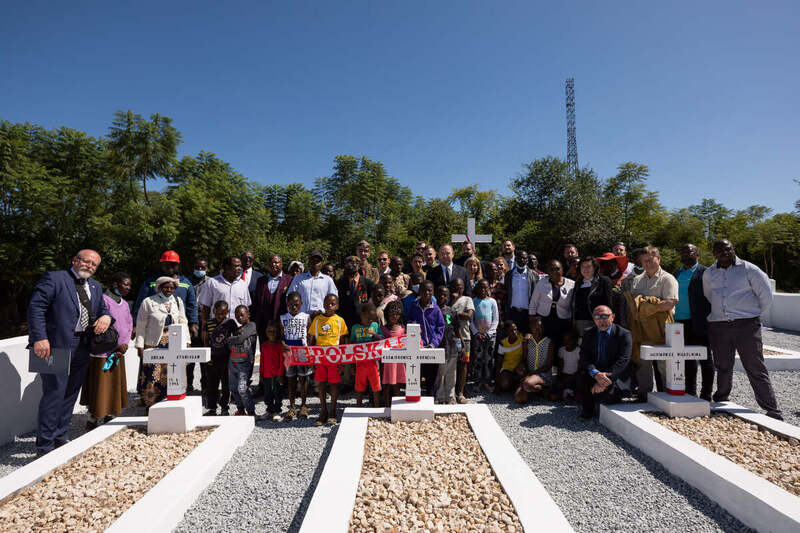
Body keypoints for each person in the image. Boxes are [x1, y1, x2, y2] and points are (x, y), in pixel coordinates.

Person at [28, 250, 112, 455]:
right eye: (87, 262)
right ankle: (44, 446)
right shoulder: (55, 278)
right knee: (54, 394)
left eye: (94, 264)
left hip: (83, 346)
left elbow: (102, 309)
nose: (90, 266)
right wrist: (39, 338)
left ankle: (60, 437)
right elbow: (36, 307)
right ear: (75, 260)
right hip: (53, 345)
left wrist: (107, 317)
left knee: (70, 393)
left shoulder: (95, 286)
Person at [703, 239, 782, 420]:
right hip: (719, 325)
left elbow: (765, 296)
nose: (724, 252)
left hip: (746, 325)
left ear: (733, 249)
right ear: (714, 253)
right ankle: (721, 399)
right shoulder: (709, 273)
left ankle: (772, 409)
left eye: (727, 248)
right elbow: (709, 296)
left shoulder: (750, 269)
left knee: (755, 366)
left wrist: (749, 314)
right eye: (719, 250)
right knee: (722, 364)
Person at [81, 272, 133, 430]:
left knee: (113, 384)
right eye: (125, 284)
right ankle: (93, 415)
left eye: (129, 285)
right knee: (99, 384)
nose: (128, 287)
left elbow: (129, 324)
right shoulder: (103, 300)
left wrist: (124, 344)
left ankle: (110, 412)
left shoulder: (124, 304)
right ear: (115, 284)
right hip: (102, 351)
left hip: (118, 351)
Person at [628, 246, 678, 399]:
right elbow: (634, 305)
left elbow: (669, 303)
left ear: (659, 259)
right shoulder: (637, 280)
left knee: (664, 364)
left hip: (662, 328)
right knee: (642, 363)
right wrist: (655, 305)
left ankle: (668, 396)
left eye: (651, 260)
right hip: (641, 327)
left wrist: (645, 306)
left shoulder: (668, 279)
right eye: (644, 261)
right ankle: (644, 395)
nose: (648, 263)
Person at [135, 277, 187, 408]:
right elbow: (141, 325)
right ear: (159, 288)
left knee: (172, 372)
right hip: (154, 342)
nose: (169, 290)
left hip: (173, 343)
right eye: (166, 287)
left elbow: (183, 321)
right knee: (153, 374)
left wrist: (187, 341)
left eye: (172, 288)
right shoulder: (148, 302)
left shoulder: (177, 301)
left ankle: (169, 403)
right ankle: (151, 404)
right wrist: (140, 346)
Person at [577, 305, 633, 420]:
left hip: (614, 374)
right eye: (597, 317)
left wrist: (604, 380)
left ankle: (604, 395)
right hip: (596, 372)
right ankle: (588, 411)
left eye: (605, 316)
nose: (601, 320)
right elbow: (584, 356)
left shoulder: (623, 334)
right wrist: (596, 374)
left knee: (608, 397)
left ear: (612, 317)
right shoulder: (588, 333)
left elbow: (623, 360)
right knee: (582, 377)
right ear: (593, 319)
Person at [673, 244, 713, 401]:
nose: (685, 254)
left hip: (699, 322)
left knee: (705, 359)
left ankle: (706, 394)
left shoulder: (705, 272)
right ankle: (690, 392)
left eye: (689, 251)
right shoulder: (677, 273)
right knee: (688, 358)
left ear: (697, 254)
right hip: (679, 322)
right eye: (682, 251)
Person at [132, 250, 199, 339]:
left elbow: (191, 306)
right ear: (162, 265)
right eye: (166, 264)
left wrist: (193, 323)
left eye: (173, 264)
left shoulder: (186, 284)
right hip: (154, 327)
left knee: (176, 347)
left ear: (178, 265)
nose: (170, 267)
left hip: (177, 326)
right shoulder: (150, 282)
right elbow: (140, 304)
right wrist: (136, 324)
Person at [309, 294, 348, 425]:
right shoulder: (317, 320)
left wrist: (342, 362)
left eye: (333, 303)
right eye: (327, 303)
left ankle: (332, 411)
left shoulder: (340, 321)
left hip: (334, 359)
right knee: (321, 385)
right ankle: (323, 411)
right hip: (320, 359)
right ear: (323, 304)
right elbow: (311, 341)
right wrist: (312, 360)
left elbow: (342, 343)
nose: (330, 305)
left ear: (337, 306)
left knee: (334, 385)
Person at [407, 281, 445, 396]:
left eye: (429, 290)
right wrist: (411, 324)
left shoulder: (436, 309)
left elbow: (440, 328)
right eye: (424, 290)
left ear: (433, 292)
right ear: (419, 291)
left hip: (431, 348)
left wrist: (434, 343)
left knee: (431, 379)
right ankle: (415, 401)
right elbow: (408, 321)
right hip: (417, 348)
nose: (427, 293)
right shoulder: (413, 307)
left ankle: (430, 400)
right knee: (416, 376)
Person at [529, 260, 574, 349]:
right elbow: (533, 303)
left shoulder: (572, 284)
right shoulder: (541, 283)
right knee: (545, 346)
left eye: (557, 269)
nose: (554, 271)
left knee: (560, 345)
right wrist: (531, 321)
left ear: (562, 269)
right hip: (544, 320)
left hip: (563, 321)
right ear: (547, 271)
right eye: (551, 269)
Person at [281, 292, 312, 420]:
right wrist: (283, 344)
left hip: (302, 352)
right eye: (291, 305)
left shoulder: (306, 317)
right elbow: (281, 337)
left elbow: (310, 335)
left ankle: (303, 405)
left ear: (301, 304)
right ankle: (292, 406)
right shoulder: (283, 318)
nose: (294, 307)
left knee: (303, 379)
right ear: (287, 304)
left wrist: (308, 350)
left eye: (296, 304)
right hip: (289, 353)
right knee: (291, 379)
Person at [253, 254, 293, 343]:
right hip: (263, 324)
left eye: (276, 262)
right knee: (265, 348)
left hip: (281, 323)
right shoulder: (261, 280)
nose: (273, 264)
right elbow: (256, 302)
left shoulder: (290, 280)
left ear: (281, 264)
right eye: (271, 263)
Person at [513, 316, 554, 403]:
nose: (538, 330)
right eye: (535, 328)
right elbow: (524, 358)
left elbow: (548, 366)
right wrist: (521, 367)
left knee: (527, 384)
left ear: (543, 328)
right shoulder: (528, 340)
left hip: (543, 374)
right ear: (531, 328)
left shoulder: (549, 342)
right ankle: (535, 390)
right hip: (529, 374)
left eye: (540, 327)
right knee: (519, 398)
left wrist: (530, 374)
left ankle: (543, 388)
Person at [198, 256, 251, 323]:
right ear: (227, 267)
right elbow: (206, 308)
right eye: (236, 266)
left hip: (238, 327)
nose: (240, 268)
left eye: (240, 266)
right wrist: (205, 326)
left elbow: (246, 308)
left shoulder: (243, 284)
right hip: (217, 327)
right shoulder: (212, 282)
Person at [203, 301, 234, 416]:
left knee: (226, 386)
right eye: (218, 313)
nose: (221, 316)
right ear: (214, 311)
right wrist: (207, 356)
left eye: (223, 313)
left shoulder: (230, 323)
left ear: (227, 312)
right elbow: (205, 340)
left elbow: (236, 337)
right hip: (212, 360)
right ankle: (212, 408)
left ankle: (225, 408)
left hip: (226, 359)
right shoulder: (208, 323)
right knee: (212, 385)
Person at [227, 305, 258, 416]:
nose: (239, 318)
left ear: (248, 314)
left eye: (241, 315)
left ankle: (251, 412)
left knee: (242, 389)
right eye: (237, 316)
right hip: (233, 362)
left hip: (245, 363)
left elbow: (240, 339)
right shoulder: (237, 328)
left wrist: (229, 339)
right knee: (233, 388)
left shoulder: (251, 326)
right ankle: (240, 409)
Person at [350, 302, 382, 407]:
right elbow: (351, 346)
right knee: (359, 387)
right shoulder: (355, 328)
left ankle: (377, 409)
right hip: (360, 363)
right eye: (368, 318)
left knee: (376, 386)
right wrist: (352, 365)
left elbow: (382, 340)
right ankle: (358, 407)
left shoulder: (375, 326)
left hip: (373, 362)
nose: (370, 320)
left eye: (372, 318)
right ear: (362, 315)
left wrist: (374, 334)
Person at [572, 256, 614, 336]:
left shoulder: (604, 281)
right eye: (583, 267)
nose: (585, 269)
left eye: (588, 266)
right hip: (581, 322)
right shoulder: (577, 283)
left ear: (594, 268)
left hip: (600, 321)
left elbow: (609, 304)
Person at [288, 251, 338, 316]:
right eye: (312, 261)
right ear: (308, 263)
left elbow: (334, 300)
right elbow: (289, 297)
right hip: (302, 317)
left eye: (317, 261)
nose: (315, 263)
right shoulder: (298, 278)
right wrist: (293, 313)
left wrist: (322, 311)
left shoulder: (328, 280)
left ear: (321, 264)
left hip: (322, 317)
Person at [470, 279, 499, 393]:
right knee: (478, 358)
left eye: (485, 287)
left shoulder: (492, 302)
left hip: (490, 336)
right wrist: (476, 333)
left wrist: (489, 333)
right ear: (477, 288)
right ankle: (477, 381)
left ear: (488, 289)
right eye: (480, 287)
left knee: (489, 359)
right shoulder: (474, 301)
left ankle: (487, 380)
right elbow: (471, 320)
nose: (483, 290)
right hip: (477, 336)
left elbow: (496, 319)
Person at [449, 279, 474, 403]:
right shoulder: (448, 299)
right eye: (454, 286)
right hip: (450, 337)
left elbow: (469, 316)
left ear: (463, 288)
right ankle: (451, 393)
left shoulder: (467, 300)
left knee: (463, 365)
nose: (457, 288)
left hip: (464, 337)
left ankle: (460, 392)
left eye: (460, 286)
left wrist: (454, 314)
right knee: (451, 365)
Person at [187, 257, 210, 395]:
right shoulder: (186, 282)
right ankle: (188, 384)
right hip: (190, 322)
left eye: (203, 267)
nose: (200, 270)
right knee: (188, 356)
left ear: (207, 268)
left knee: (204, 355)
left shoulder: (211, 282)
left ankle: (205, 386)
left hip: (204, 321)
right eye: (197, 267)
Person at [434, 285, 459, 404]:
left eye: (445, 295)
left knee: (451, 373)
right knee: (440, 373)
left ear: (448, 297)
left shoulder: (452, 311)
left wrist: (461, 343)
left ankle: (450, 397)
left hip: (452, 345)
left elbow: (457, 329)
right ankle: (439, 396)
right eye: (439, 294)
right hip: (439, 346)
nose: (442, 297)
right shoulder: (433, 310)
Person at [504, 250, 538, 334]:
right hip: (512, 313)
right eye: (519, 258)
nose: (522, 260)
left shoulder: (534, 275)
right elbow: (506, 293)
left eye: (524, 258)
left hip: (527, 313)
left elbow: (536, 295)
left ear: (527, 260)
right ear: (515, 259)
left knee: (527, 337)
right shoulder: (509, 275)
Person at [336, 255, 374, 327]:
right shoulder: (340, 282)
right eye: (348, 265)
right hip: (345, 323)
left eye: (354, 264)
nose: (350, 267)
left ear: (359, 266)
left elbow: (369, 304)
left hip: (362, 323)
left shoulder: (368, 283)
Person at [381, 300, 406, 406]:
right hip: (386, 363)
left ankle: (397, 407)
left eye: (397, 314)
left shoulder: (402, 328)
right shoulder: (383, 329)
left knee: (396, 386)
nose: (394, 317)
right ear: (387, 314)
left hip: (398, 362)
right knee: (386, 385)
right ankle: (387, 406)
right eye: (392, 314)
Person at [259, 321, 284, 421]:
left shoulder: (279, 346)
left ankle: (277, 411)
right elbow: (262, 360)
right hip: (266, 375)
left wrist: (280, 374)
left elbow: (282, 361)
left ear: (277, 332)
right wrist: (261, 374)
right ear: (266, 332)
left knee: (277, 393)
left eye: (274, 331)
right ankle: (269, 410)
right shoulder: (264, 345)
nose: (271, 333)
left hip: (276, 376)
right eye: (269, 331)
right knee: (267, 393)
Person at [496, 321, 524, 394]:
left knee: (521, 373)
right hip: (507, 368)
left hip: (519, 367)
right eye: (511, 330)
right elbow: (499, 363)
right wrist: (497, 385)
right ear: (506, 332)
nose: (514, 332)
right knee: (504, 384)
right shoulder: (503, 343)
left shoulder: (522, 338)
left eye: (515, 329)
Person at [553, 331, 581, 400]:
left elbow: (579, 369)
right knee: (553, 396)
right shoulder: (561, 350)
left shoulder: (578, 351)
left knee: (579, 395)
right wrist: (559, 378)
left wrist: (568, 379)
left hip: (575, 376)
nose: (567, 342)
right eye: (565, 340)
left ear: (574, 340)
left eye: (569, 340)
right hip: (564, 375)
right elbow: (560, 366)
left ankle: (571, 392)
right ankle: (567, 392)